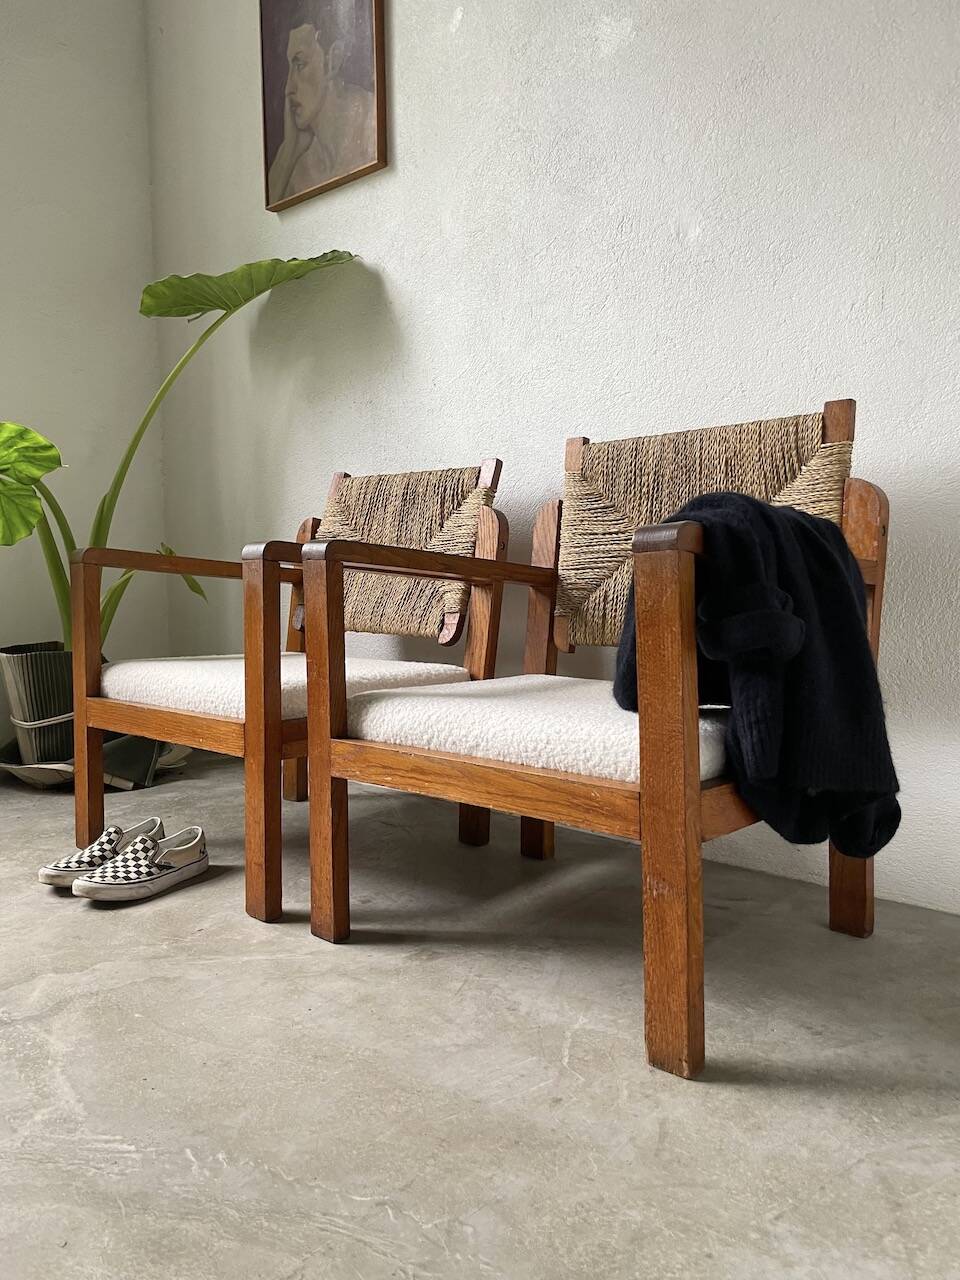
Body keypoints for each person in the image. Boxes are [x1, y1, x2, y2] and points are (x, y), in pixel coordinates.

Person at [268, 7, 376, 205]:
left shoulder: (373, 123)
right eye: (289, 68)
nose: (288, 88)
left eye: (300, 65)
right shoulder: (301, 169)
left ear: (333, 60)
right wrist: (288, 151)